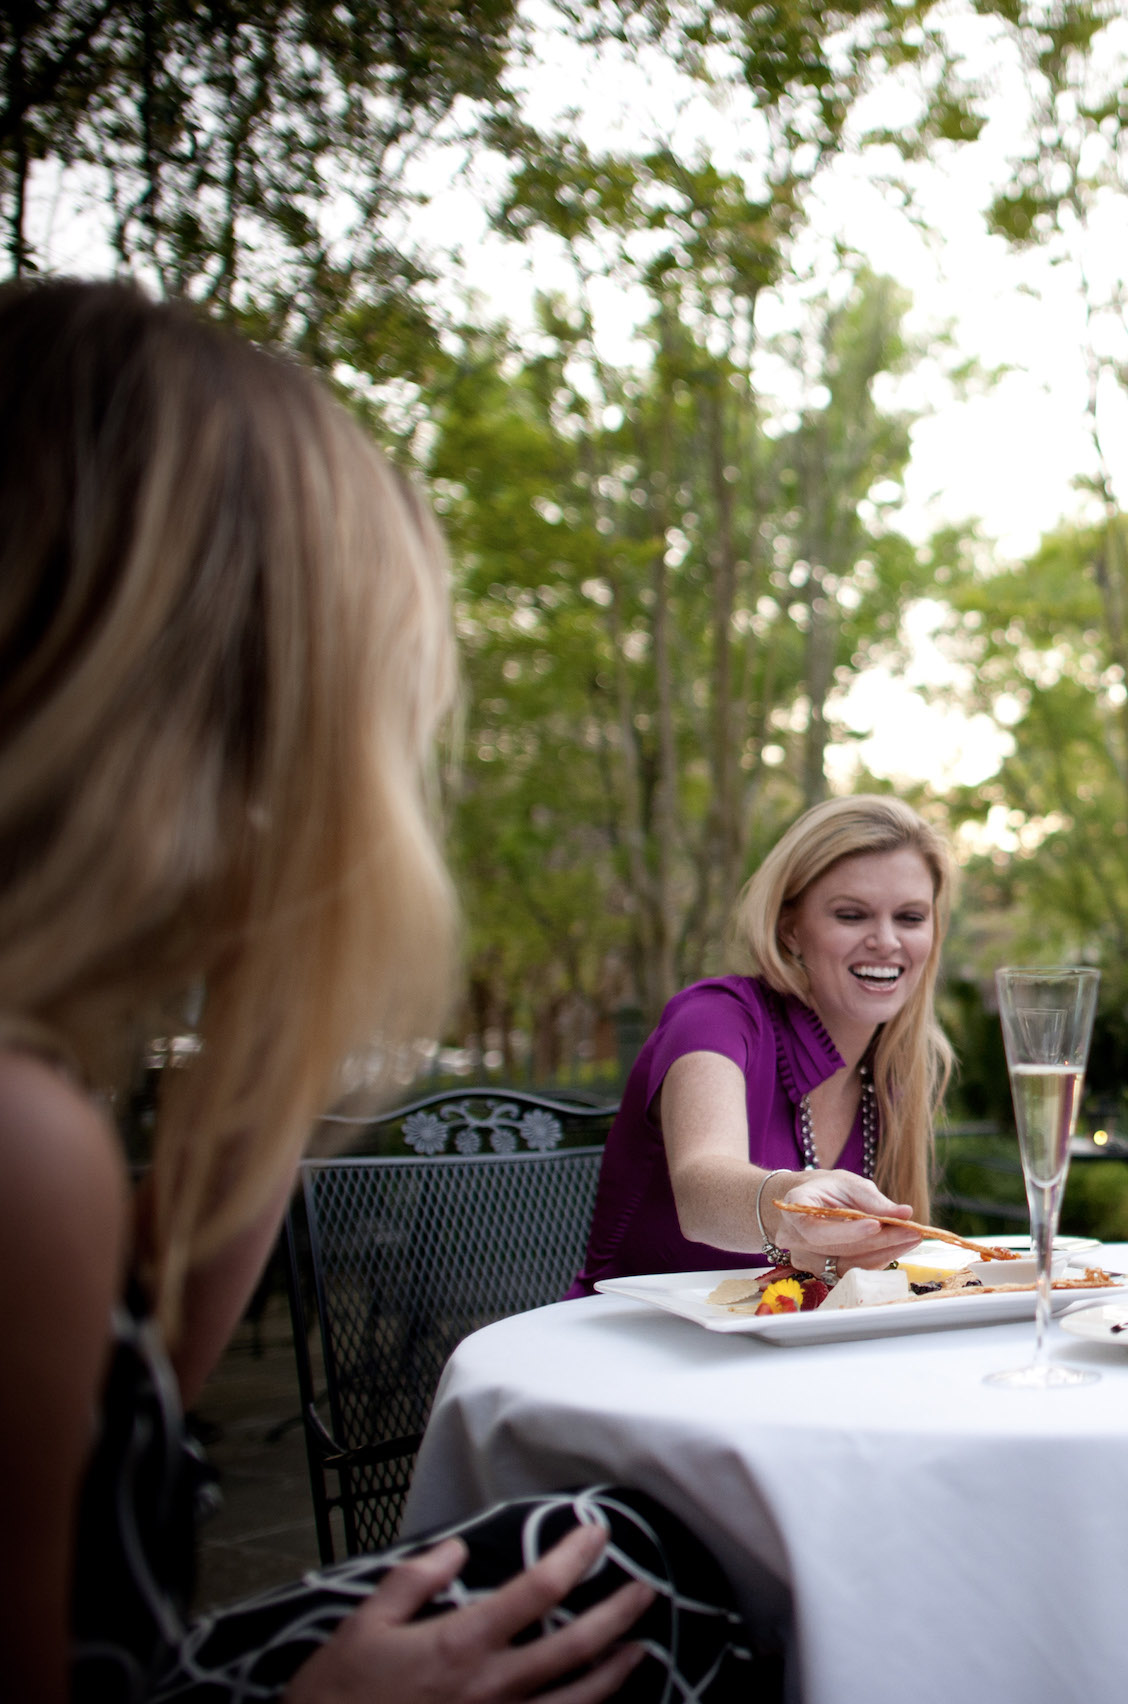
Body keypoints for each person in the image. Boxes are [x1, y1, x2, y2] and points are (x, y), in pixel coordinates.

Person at [0, 279, 758, 1703]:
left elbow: (127, 1387)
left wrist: (274, 1000)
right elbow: (720, 1189)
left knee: (623, 1562)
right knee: (679, 1611)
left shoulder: (45, 1138)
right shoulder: (23, 1144)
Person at [570, 795, 963, 1295]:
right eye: (851, 915)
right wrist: (791, 1197)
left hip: (783, 1355)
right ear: (790, 928)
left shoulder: (892, 1073)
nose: (886, 941)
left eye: (910, 918)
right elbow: (700, 1189)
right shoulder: (714, 1018)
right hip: (630, 1348)